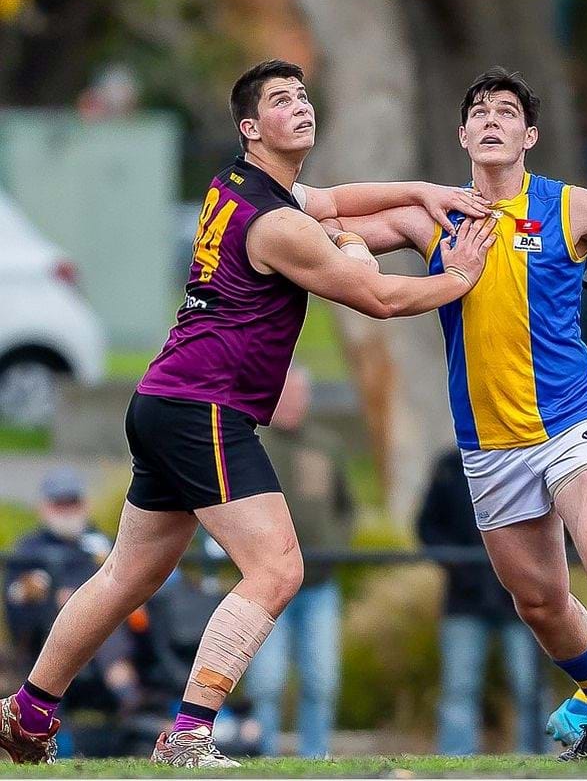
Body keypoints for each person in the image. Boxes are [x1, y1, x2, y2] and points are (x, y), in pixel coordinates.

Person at [0, 58, 497, 767]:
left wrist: (418, 197)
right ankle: (191, 732)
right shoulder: (278, 224)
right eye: (281, 101)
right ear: (248, 127)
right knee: (278, 568)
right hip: (202, 406)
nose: (300, 107)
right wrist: (458, 277)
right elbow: (379, 297)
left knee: (126, 575)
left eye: (302, 96)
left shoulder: (240, 188)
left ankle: (28, 711)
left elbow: (335, 204)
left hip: (166, 401)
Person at [320, 68, 587, 760]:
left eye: (505, 112)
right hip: (488, 444)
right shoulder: (439, 219)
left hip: (570, 424)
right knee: (539, 603)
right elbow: (329, 226)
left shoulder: (571, 208)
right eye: (478, 111)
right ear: (461, 135)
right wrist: (355, 248)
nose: (490, 120)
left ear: (529, 135)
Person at [241, 365, 354, 758]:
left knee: (322, 680)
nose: (291, 402)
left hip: (320, 583)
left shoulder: (327, 445)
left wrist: (335, 546)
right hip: (266, 586)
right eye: (284, 394)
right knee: (266, 682)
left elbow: (346, 508)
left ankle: (316, 758)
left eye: (297, 394)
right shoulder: (252, 444)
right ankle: (264, 757)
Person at [3, 468, 143, 753]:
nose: (67, 509)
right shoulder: (28, 550)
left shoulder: (103, 544)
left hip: (110, 644)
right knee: (92, 614)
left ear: (84, 503)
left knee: (105, 615)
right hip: (47, 644)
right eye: (59, 502)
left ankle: (136, 707)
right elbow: (16, 605)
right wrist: (57, 596)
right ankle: (128, 693)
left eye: (72, 501)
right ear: (44, 506)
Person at [417, 449, 542, 755]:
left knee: (530, 686)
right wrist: (461, 569)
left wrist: (533, 571)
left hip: (521, 598)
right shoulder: (449, 466)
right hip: (465, 598)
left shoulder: (529, 460)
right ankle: (456, 763)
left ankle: (538, 756)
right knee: (459, 688)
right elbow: (427, 527)